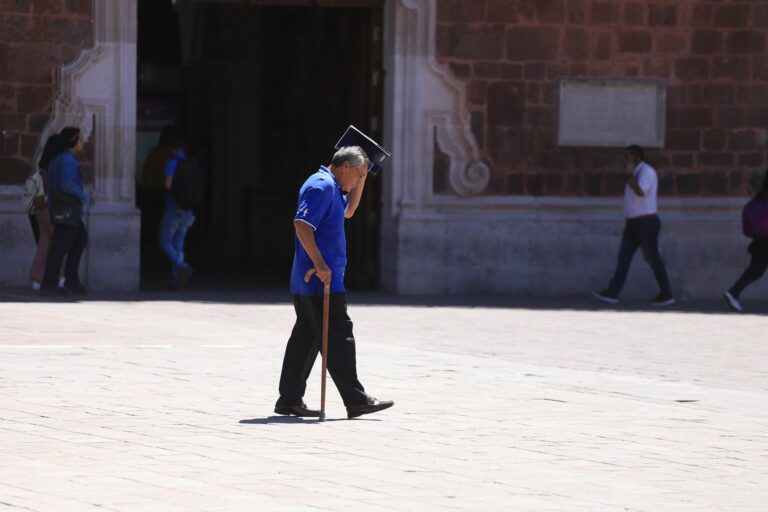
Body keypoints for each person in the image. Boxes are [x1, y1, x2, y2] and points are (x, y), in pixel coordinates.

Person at [275, 144, 393, 419]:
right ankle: (356, 399)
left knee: (307, 337)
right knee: (339, 335)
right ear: (345, 166)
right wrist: (319, 264)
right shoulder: (321, 187)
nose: (359, 180)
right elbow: (302, 224)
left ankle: (289, 399)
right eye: (359, 175)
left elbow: (349, 211)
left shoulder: (334, 187)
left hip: (322, 279)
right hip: (318, 280)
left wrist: (362, 181)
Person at [593, 145, 675, 306]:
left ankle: (666, 293)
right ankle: (613, 292)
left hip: (647, 223)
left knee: (653, 259)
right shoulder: (635, 173)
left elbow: (641, 191)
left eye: (628, 157)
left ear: (636, 157)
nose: (625, 161)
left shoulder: (647, 172)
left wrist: (630, 177)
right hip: (632, 224)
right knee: (623, 258)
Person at [40, 127, 91, 295]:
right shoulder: (68, 160)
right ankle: (50, 283)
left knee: (78, 240)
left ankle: (71, 280)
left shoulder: (57, 159)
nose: (82, 144)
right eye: (80, 140)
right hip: (68, 209)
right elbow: (67, 184)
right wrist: (84, 196)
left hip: (63, 208)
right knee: (60, 247)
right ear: (74, 141)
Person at [724, 170, 768, 312]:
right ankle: (734, 292)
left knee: (756, 270)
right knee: (756, 270)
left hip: (761, 239)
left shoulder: (760, 196)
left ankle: (734, 292)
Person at [158, 131, 197, 290]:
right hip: (190, 209)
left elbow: (167, 185)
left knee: (165, 241)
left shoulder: (172, 162)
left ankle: (182, 266)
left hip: (175, 208)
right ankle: (176, 280)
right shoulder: (191, 163)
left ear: (170, 148)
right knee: (179, 243)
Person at [26, 134, 66, 290]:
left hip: (39, 210)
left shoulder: (43, 167)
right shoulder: (57, 165)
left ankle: (37, 277)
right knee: (61, 243)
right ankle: (60, 276)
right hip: (51, 209)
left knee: (44, 244)